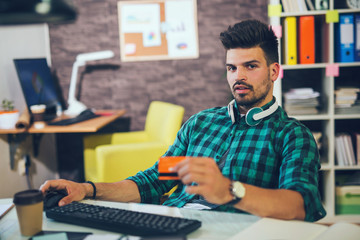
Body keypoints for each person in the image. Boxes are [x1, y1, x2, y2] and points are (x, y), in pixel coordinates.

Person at [41, 19, 326, 222]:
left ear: (274, 71)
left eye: (250, 66)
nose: (238, 76)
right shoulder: (201, 123)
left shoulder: (292, 135)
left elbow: (300, 205)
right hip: (174, 225)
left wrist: (229, 190)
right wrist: (87, 190)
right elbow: (155, 181)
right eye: (231, 68)